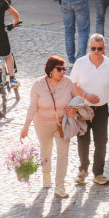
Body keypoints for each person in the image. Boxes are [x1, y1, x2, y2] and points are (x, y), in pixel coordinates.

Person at [70, 34, 109, 188]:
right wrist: (85, 95)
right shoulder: (80, 63)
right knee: (83, 140)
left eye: (99, 49)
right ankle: (83, 170)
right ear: (89, 48)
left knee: (101, 141)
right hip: (84, 109)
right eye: (93, 48)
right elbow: (72, 85)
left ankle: (98, 173)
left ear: (104, 49)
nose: (96, 51)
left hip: (101, 109)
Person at [20, 56, 77, 197]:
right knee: (46, 151)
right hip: (43, 124)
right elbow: (32, 106)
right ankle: (46, 176)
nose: (62, 72)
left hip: (63, 124)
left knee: (63, 154)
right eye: (59, 69)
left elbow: (76, 99)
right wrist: (25, 126)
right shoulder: (38, 85)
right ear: (50, 70)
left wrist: (74, 110)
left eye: (64, 69)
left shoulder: (68, 82)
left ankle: (60, 185)